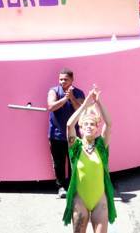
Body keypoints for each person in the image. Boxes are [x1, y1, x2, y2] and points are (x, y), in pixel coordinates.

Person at [61, 87, 115, 232]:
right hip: (80, 200)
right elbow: (69, 125)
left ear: (97, 128)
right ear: (81, 129)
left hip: (100, 201)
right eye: (86, 124)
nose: (89, 127)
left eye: (92, 124)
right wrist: (85, 105)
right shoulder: (76, 146)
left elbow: (109, 124)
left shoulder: (101, 146)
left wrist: (98, 102)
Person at [46, 68, 84, 198]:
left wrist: (72, 98)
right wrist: (64, 99)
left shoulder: (79, 93)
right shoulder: (54, 91)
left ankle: (75, 187)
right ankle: (61, 187)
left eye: (65, 79)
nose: (62, 81)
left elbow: (80, 109)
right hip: (56, 135)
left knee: (74, 162)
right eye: (61, 79)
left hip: (73, 135)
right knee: (58, 163)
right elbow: (51, 106)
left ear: (72, 80)